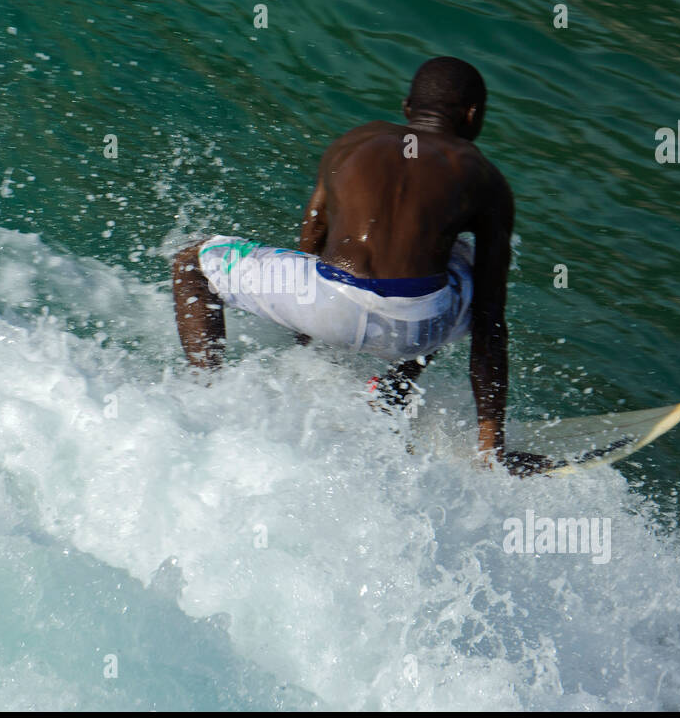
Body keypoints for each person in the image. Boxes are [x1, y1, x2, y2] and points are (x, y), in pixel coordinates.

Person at [171, 57, 550, 475]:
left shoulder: (352, 143)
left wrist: (309, 331)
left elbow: (313, 231)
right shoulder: (484, 178)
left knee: (192, 263)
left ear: (407, 107)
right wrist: (492, 447)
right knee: (460, 264)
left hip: (326, 303)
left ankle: (208, 396)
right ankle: (396, 389)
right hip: (419, 329)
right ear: (473, 115)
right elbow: (490, 321)